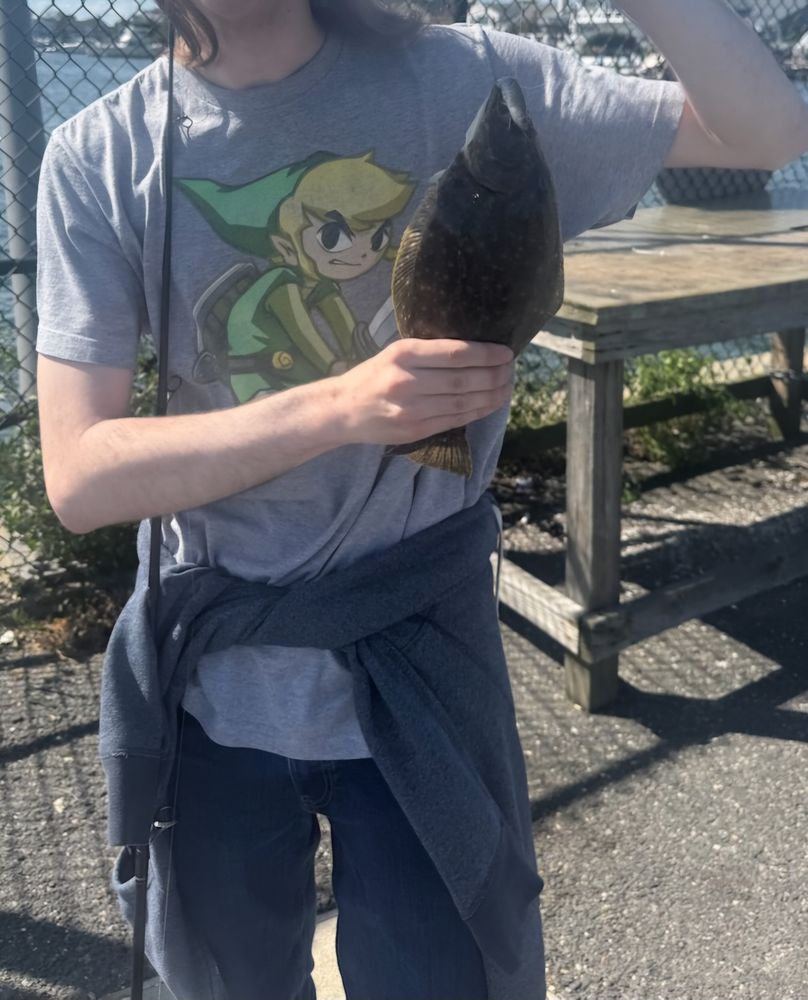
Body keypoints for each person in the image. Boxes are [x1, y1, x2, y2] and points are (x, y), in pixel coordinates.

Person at [34, 1, 807, 998]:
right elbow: (82, 474)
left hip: (419, 664)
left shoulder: (466, 78)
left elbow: (768, 133)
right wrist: (341, 407)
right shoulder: (99, 153)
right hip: (211, 681)